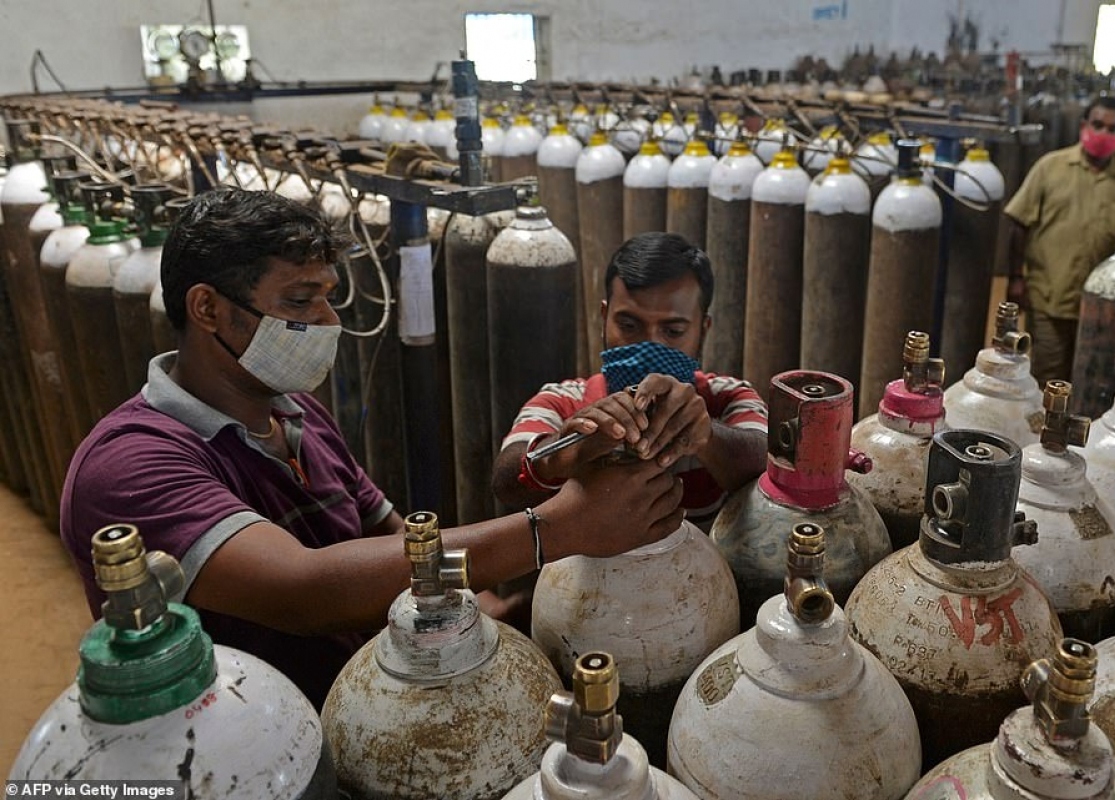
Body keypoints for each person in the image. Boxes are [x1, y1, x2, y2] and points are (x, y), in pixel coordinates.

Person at [59, 188, 684, 708]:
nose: (329, 322)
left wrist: (515, 606)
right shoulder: (133, 464)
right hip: (258, 744)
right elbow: (303, 592)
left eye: (330, 295)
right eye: (301, 301)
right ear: (208, 309)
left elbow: (401, 551)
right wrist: (554, 529)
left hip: (368, 703)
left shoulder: (298, 415)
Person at [492, 232, 768, 528]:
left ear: (703, 329)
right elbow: (507, 481)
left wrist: (707, 437)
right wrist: (567, 451)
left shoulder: (729, 397)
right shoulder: (562, 401)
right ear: (604, 317)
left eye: (673, 331)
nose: (649, 346)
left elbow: (767, 469)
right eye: (628, 325)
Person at [1005, 95, 1115, 383]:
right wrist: (1016, 279)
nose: (1104, 134)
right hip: (1051, 298)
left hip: (1107, 307)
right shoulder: (1050, 168)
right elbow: (1019, 224)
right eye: (1098, 125)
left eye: (1113, 128)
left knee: (1095, 380)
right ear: (1084, 125)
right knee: (1048, 376)